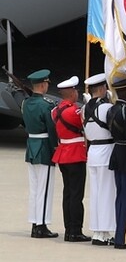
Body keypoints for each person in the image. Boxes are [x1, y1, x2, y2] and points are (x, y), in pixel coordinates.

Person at [51, 75, 90, 242]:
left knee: (68, 193)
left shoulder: (55, 111)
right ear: (72, 93)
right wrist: (87, 106)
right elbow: (86, 122)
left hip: (63, 153)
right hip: (75, 154)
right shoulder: (73, 111)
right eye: (76, 90)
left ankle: (69, 229)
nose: (78, 93)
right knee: (76, 195)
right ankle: (75, 230)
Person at [23, 69, 59, 239]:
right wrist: (55, 148)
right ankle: (42, 226)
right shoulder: (46, 105)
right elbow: (51, 130)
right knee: (44, 190)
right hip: (44, 147)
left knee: (35, 189)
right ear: (43, 85)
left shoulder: (26, 103)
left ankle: (34, 223)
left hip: (31, 147)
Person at [82, 73, 116, 246]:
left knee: (95, 193)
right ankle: (104, 232)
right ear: (103, 89)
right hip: (106, 151)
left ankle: (97, 231)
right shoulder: (107, 108)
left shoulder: (84, 108)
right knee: (106, 193)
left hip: (93, 151)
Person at [107, 73, 126, 249]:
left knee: (121, 196)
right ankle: (124, 238)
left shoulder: (112, 109)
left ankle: (121, 233)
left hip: (117, 152)